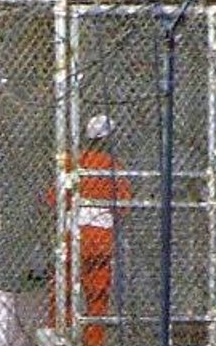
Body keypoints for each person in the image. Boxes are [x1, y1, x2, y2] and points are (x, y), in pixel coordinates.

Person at [46, 115, 133, 346]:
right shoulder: (113, 166)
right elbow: (123, 206)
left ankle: (60, 336)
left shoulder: (73, 162)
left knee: (63, 291)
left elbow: (54, 199)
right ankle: (93, 341)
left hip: (72, 234)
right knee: (98, 296)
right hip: (101, 237)